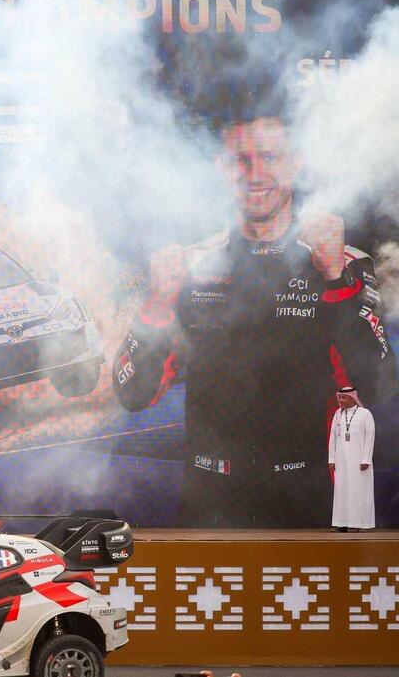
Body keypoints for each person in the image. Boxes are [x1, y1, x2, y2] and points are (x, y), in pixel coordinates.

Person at [112, 113, 395, 527]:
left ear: (295, 163)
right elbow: (133, 393)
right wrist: (156, 305)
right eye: (241, 160)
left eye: (270, 157)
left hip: (309, 499)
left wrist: (335, 279)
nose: (256, 173)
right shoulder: (192, 266)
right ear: (221, 168)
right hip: (210, 501)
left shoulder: (343, 263)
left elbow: (378, 384)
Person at [329, 386, 376, 531]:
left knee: (359, 491)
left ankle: (363, 524)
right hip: (341, 461)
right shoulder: (338, 414)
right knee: (342, 491)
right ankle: (341, 523)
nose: (340, 401)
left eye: (343, 398)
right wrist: (332, 459)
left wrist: (366, 459)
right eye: (340, 398)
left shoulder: (365, 414)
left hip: (359, 461)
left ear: (353, 398)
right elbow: (332, 438)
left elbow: (370, 436)